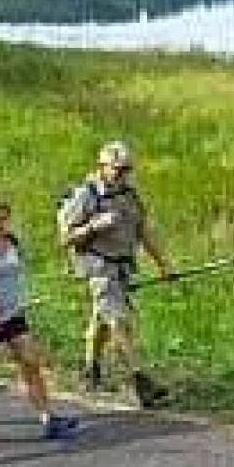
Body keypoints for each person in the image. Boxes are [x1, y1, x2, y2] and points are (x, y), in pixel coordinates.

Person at [0, 196, 80, 441]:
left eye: (3, 219)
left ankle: (48, 419)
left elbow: (14, 275)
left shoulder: (11, 243)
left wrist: (19, 299)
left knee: (30, 362)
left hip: (12, 316)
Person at [58, 140, 172, 408]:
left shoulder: (129, 195)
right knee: (119, 321)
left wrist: (163, 263)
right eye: (117, 169)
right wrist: (93, 227)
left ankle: (90, 370)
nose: (123, 174)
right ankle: (141, 380)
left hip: (122, 266)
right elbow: (65, 238)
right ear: (101, 167)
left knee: (102, 319)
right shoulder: (85, 196)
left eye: (126, 169)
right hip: (98, 267)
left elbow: (143, 230)